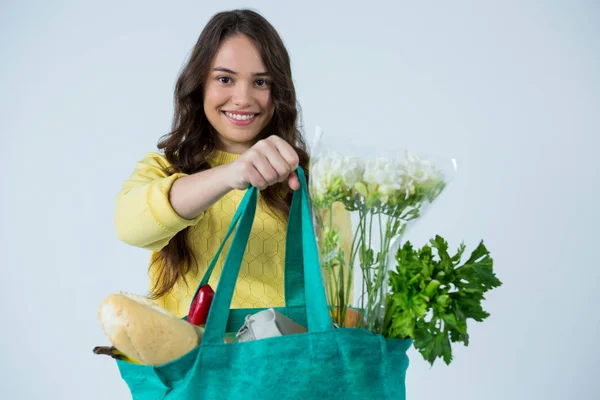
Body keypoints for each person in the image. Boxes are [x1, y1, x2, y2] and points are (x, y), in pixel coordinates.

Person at [114, 9, 313, 317]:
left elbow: (338, 285)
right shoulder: (165, 169)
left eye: (261, 82)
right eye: (224, 79)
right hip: (196, 362)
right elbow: (130, 227)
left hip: (289, 362)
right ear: (199, 85)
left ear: (279, 92)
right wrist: (230, 174)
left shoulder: (308, 179)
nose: (243, 98)